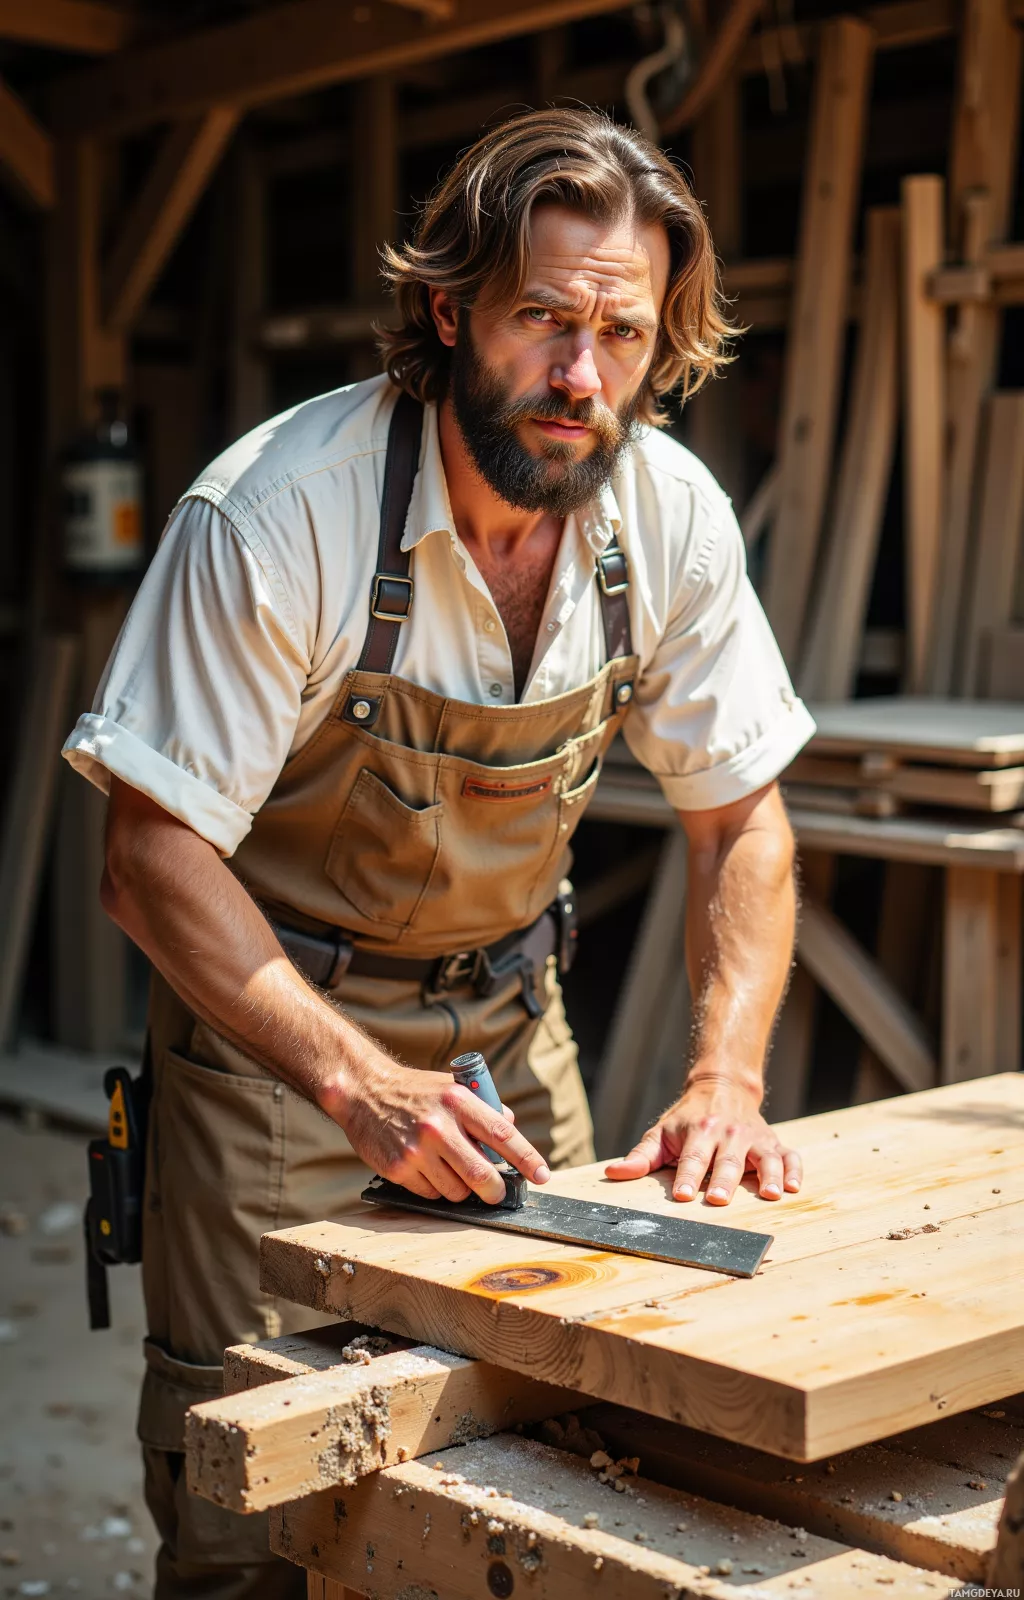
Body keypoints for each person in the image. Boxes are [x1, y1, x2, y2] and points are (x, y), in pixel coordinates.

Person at [63, 107, 814, 1598]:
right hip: (280, 1067)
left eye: (622, 332)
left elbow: (741, 815)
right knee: (253, 1503)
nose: (581, 376)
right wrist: (353, 1079)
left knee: (551, 1476)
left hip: (512, 1044)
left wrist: (727, 1079)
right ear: (448, 306)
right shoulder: (281, 513)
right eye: (544, 318)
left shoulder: (665, 516)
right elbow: (150, 860)